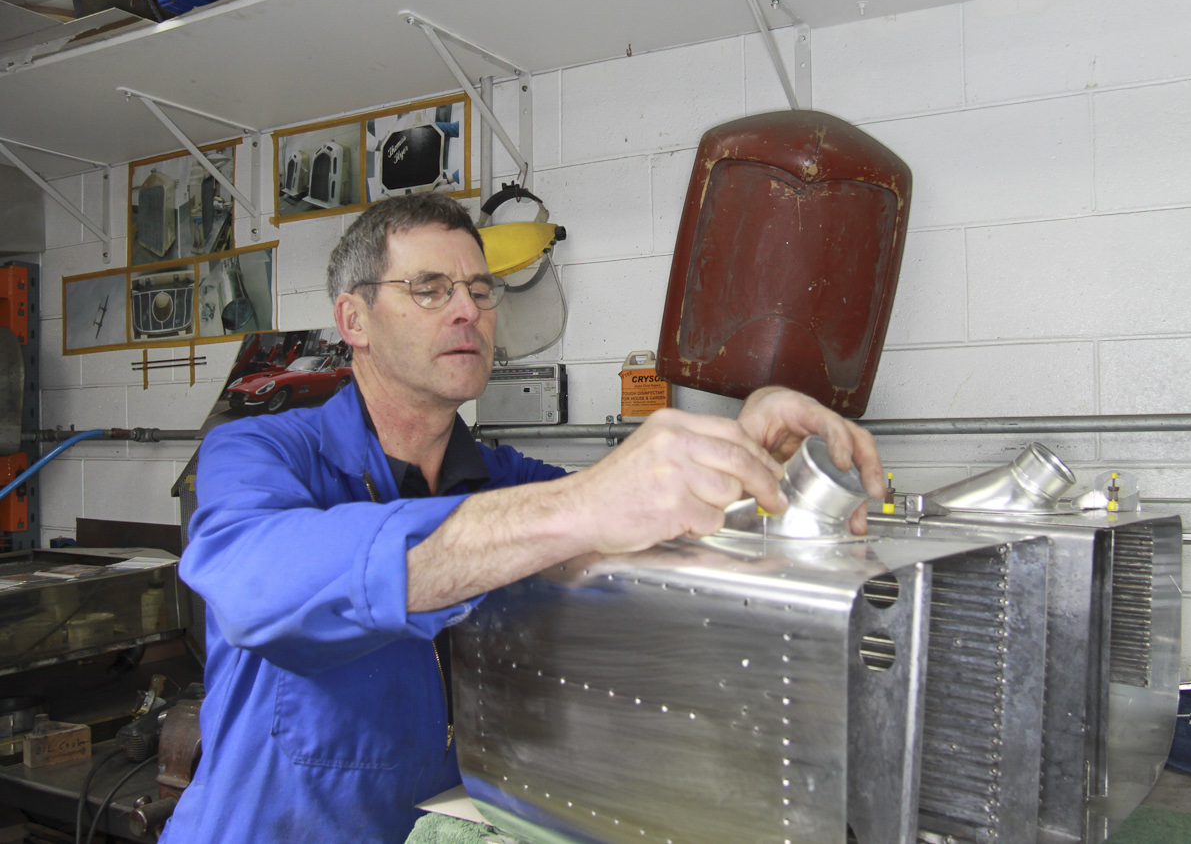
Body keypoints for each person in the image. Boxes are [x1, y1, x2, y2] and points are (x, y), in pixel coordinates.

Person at [160, 193, 886, 844]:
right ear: (355, 320)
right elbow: (260, 585)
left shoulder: (502, 478)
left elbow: (651, 530)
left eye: (480, 290)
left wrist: (748, 460)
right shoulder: (259, 453)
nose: (468, 310)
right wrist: (582, 503)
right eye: (430, 289)